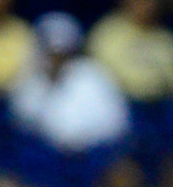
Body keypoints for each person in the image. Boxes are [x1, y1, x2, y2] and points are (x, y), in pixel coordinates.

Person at [9, 13, 128, 155]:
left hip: (90, 153)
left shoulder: (94, 75)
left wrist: (82, 141)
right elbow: (20, 120)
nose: (56, 58)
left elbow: (115, 123)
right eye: (51, 52)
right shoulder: (29, 76)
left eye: (61, 53)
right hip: (44, 154)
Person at [85, 0, 173, 103]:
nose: (146, 4)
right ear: (126, 0)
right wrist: (148, 85)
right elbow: (102, 74)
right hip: (120, 104)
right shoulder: (107, 31)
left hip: (163, 105)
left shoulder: (165, 37)